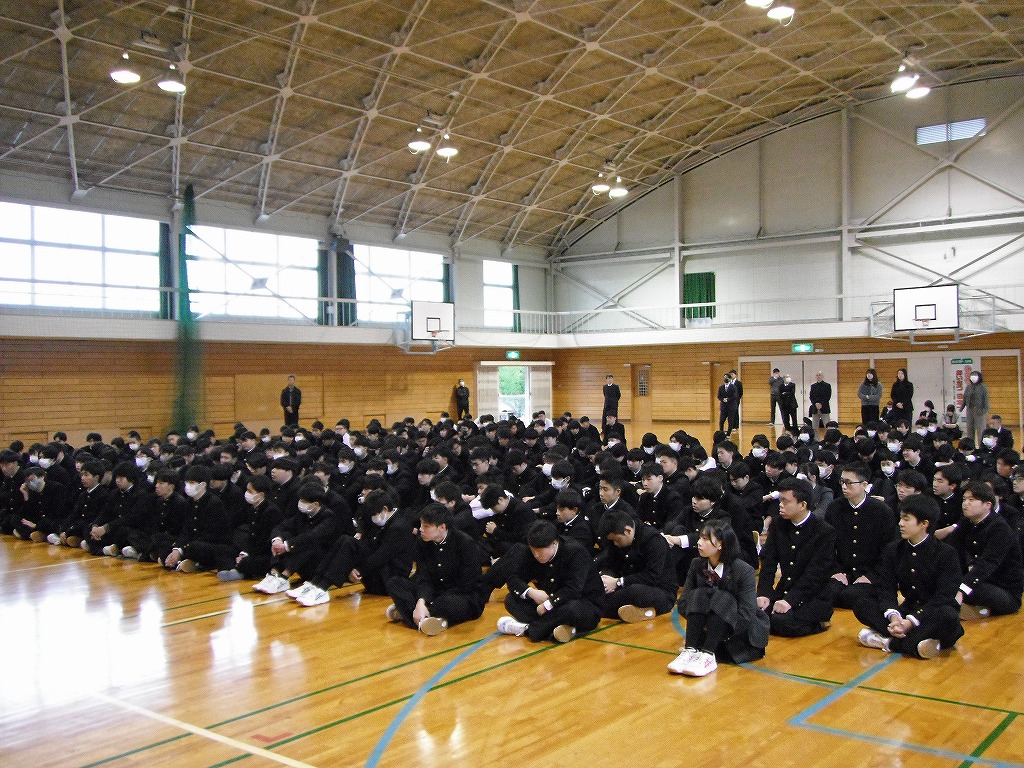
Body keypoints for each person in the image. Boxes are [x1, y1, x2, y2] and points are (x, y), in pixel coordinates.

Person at [854, 494, 964, 659]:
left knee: (948, 616)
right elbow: (886, 587)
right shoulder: (893, 550)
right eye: (901, 518)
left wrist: (911, 621)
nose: (900, 523)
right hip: (906, 610)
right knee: (862, 603)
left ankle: (888, 642)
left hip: (932, 612)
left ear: (924, 524)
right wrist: (894, 618)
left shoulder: (946, 553)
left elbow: (944, 596)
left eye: (906, 519)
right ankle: (915, 642)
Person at [668, 520, 769, 676]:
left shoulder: (743, 570)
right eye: (700, 538)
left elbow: (747, 613)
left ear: (721, 544)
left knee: (722, 597)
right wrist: (705, 623)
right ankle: (690, 650)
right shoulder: (696, 564)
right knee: (700, 593)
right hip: (705, 634)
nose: (699, 543)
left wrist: (719, 627)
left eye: (705, 539)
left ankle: (708, 655)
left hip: (737, 636)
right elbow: (683, 603)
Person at [384, 503, 489, 635]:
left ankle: (410, 615)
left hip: (462, 595)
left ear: (442, 527)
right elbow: (423, 576)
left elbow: (467, 584)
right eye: (421, 525)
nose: (421, 529)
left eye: (426, 526)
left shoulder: (465, 543)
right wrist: (422, 601)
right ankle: (429, 619)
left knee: (446, 603)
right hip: (435, 591)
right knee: (394, 583)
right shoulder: (422, 542)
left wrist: (430, 602)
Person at [492, 520, 604, 643]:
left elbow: (573, 589)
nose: (536, 555)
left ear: (554, 543)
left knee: (571, 609)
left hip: (583, 604)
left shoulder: (576, 552)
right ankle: (557, 629)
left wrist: (548, 604)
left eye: (540, 550)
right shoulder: (533, 553)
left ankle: (527, 630)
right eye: (533, 550)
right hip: (549, 603)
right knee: (511, 600)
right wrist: (531, 592)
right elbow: (513, 578)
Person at [757, 477, 837, 637]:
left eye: (786, 501)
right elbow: (768, 562)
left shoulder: (824, 531)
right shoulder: (778, 524)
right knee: (753, 614)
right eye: (780, 500)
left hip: (813, 596)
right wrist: (764, 593)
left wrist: (790, 600)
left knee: (782, 622)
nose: (780, 505)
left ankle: (819, 623)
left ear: (802, 505)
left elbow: (816, 573)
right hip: (784, 589)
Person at [945, 481, 1023, 618]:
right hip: (981, 581)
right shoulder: (966, 522)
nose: (965, 503)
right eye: (964, 499)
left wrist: (961, 588)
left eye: (971, 500)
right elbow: (951, 550)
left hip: (1005, 591)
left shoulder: (1000, 528)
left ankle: (974, 610)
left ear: (988, 505)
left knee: (965, 588)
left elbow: (988, 563)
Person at [961, 371, 989, 446]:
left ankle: (981, 447)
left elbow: (985, 399)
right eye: (972, 375)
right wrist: (962, 407)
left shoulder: (983, 387)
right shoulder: (968, 387)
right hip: (969, 410)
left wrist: (985, 409)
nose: (973, 377)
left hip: (980, 410)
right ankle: (970, 446)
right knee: (970, 429)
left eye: (975, 375)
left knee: (981, 430)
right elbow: (965, 398)